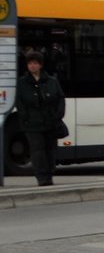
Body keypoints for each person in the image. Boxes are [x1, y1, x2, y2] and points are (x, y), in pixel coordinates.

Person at [15, 49, 66, 187]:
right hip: (31, 124)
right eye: (30, 63)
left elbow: (60, 98)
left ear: (41, 65)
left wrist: (58, 115)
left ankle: (49, 175)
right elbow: (19, 102)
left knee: (50, 150)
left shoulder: (51, 81)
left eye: (35, 63)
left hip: (50, 122)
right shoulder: (22, 82)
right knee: (37, 151)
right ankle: (42, 177)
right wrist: (24, 116)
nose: (32, 66)